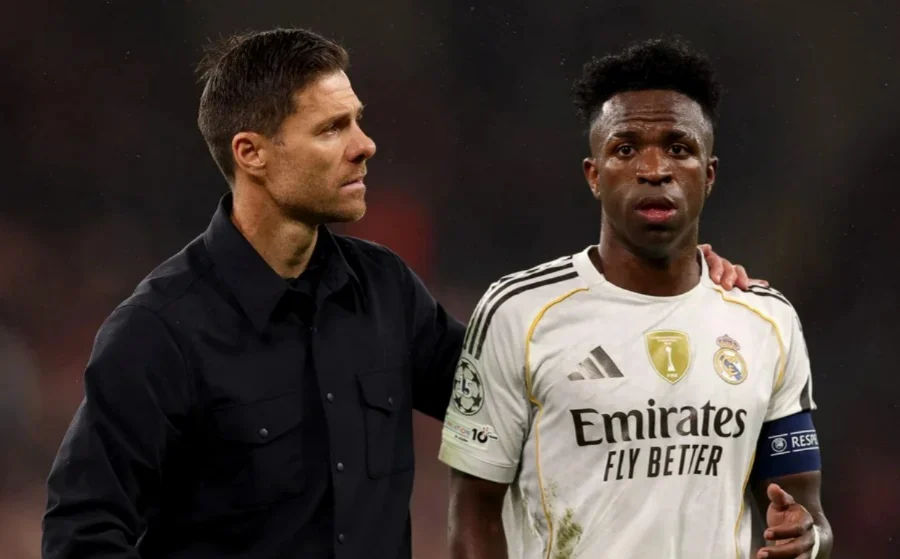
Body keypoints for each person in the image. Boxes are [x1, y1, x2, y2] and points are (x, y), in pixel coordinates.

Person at [41, 28, 758, 559]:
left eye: (357, 120)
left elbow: (537, 396)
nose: (365, 144)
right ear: (251, 153)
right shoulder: (159, 331)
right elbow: (82, 533)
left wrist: (664, 278)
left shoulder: (384, 291)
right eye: (333, 128)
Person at [440, 37, 832, 559]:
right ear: (594, 175)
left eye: (678, 148)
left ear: (708, 175)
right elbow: (473, 513)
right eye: (626, 149)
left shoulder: (767, 321)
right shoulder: (517, 313)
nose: (654, 168)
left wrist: (806, 540)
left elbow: (809, 519)